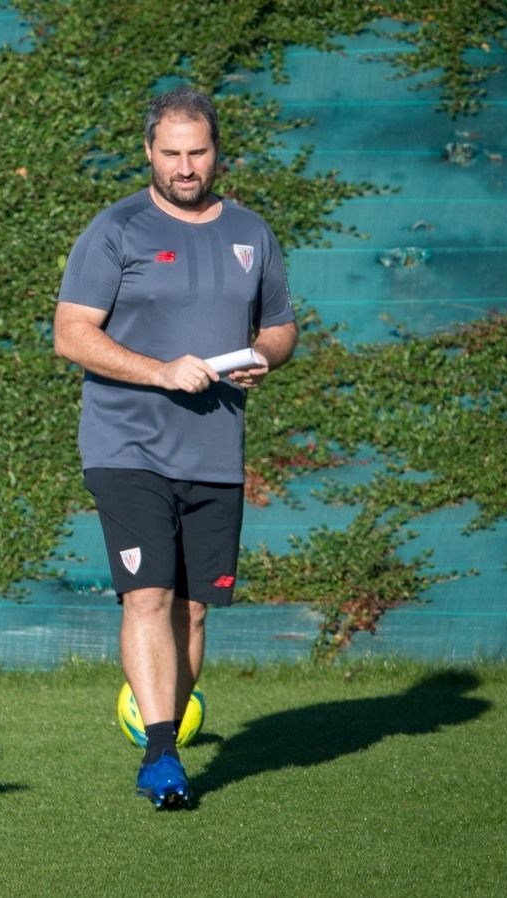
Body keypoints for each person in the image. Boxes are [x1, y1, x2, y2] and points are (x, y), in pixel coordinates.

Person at [53, 86, 298, 809]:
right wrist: (159, 371)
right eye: (172, 154)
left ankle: (162, 723)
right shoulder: (114, 230)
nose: (186, 167)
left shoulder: (253, 232)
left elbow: (282, 327)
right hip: (126, 444)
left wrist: (264, 354)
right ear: (149, 154)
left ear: (216, 151)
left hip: (215, 450)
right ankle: (162, 756)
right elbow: (72, 334)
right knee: (148, 595)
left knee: (192, 610)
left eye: (198, 152)